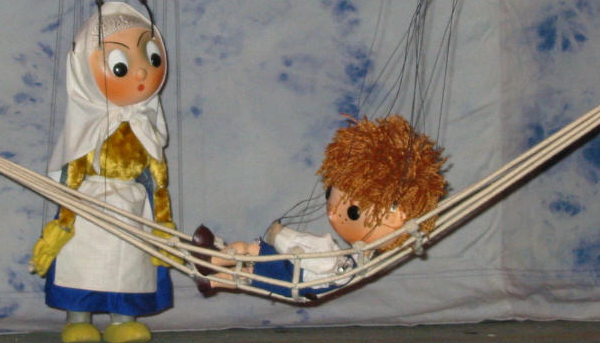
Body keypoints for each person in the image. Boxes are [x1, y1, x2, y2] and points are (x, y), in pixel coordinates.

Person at [29, 0, 176, 343]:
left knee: (129, 263)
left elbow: (158, 179)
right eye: (122, 65)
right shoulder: (87, 127)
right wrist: (64, 221)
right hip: (89, 204)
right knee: (84, 260)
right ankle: (78, 317)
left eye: (152, 59)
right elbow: (73, 173)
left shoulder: (145, 125)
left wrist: (163, 224)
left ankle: (123, 318)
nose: (141, 73)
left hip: (132, 208)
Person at [192, 114, 447, 298]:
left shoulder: (336, 258)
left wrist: (281, 236)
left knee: (249, 250)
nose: (333, 214)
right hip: (295, 279)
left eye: (352, 212)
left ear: (392, 219)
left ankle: (211, 259)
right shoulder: (357, 260)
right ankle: (211, 282)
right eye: (329, 195)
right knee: (248, 274)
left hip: (296, 276)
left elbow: (314, 255)